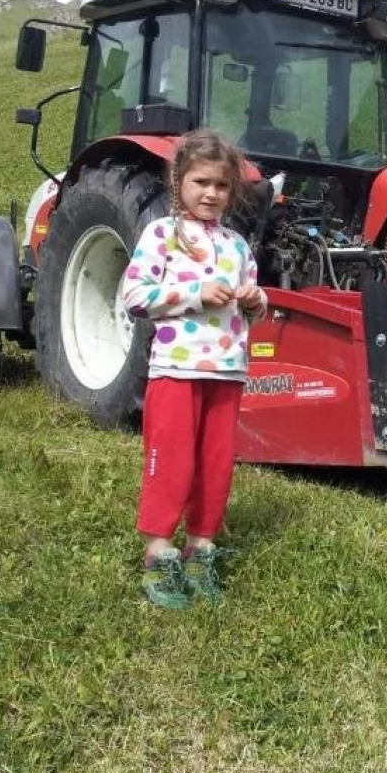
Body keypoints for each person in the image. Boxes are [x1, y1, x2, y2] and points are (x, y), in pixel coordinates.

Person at [121, 128, 268, 609]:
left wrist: (254, 300)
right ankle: (159, 552)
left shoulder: (237, 245)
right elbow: (135, 297)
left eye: (222, 186)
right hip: (176, 371)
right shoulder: (162, 235)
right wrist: (194, 295)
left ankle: (201, 547)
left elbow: (256, 304)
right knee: (173, 459)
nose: (211, 193)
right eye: (200, 182)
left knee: (215, 464)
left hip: (226, 372)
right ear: (178, 181)